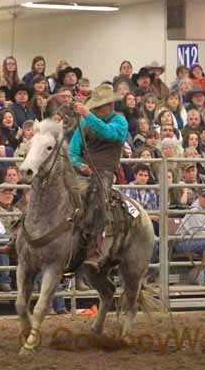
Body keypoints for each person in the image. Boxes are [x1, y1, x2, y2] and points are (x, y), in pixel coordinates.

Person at [69, 85, 128, 272]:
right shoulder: (87, 122)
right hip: (82, 170)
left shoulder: (120, 122)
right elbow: (72, 150)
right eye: (93, 108)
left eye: (97, 107)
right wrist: (78, 164)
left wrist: (88, 114)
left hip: (104, 171)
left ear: (108, 106)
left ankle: (94, 249)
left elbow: (108, 133)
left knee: (97, 199)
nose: (94, 110)